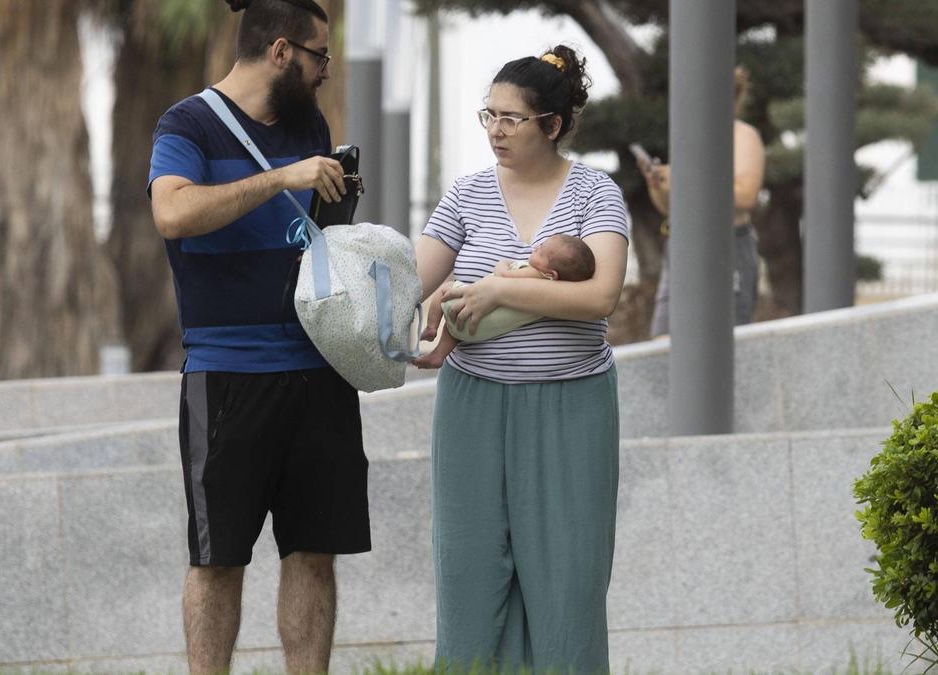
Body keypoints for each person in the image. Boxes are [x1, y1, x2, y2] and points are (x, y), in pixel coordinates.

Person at [146, 1, 368, 673]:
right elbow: (174, 212)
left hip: (319, 368)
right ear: (280, 52)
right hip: (228, 375)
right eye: (318, 56)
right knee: (218, 559)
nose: (325, 71)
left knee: (313, 550)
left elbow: (318, 233)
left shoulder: (309, 124)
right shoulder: (185, 123)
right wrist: (282, 177)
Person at [414, 45, 630, 673]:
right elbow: (410, 274)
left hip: (572, 404)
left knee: (569, 586)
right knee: (469, 579)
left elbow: (600, 296)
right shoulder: (467, 194)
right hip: (472, 405)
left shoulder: (595, 192)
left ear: (553, 126)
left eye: (512, 119)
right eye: (489, 116)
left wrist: (501, 287)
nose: (496, 131)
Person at [644, 66, 766, 337]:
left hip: (727, 242)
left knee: (725, 336)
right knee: (664, 338)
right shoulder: (690, 137)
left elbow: (746, 195)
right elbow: (670, 207)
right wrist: (660, 185)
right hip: (682, 243)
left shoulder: (742, 135)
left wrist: (688, 181)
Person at [414, 233, 596, 369]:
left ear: (551, 274)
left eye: (542, 252)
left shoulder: (535, 273)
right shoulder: (549, 295)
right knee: (454, 329)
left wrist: (503, 263)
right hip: (481, 330)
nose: (537, 248)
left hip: (474, 317)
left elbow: (503, 276)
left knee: (446, 289)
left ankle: (431, 327)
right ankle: (438, 355)